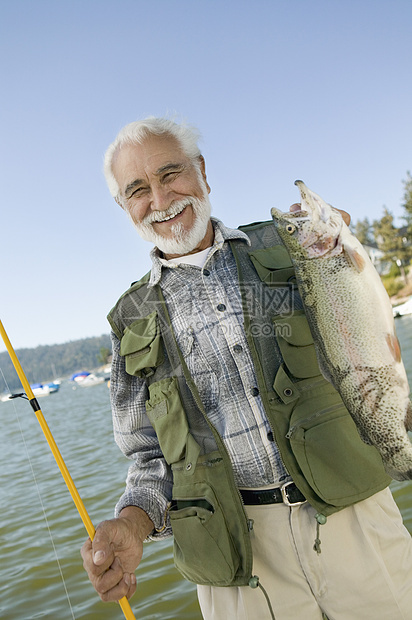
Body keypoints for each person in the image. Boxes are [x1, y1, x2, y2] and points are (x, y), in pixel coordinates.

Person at [81, 117, 412, 619]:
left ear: (202, 171)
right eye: (139, 190)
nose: (161, 198)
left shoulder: (291, 245)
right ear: (124, 207)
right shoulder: (129, 319)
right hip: (237, 559)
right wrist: (130, 524)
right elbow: (149, 458)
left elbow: (367, 344)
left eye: (171, 173)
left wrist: (346, 249)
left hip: (355, 515)